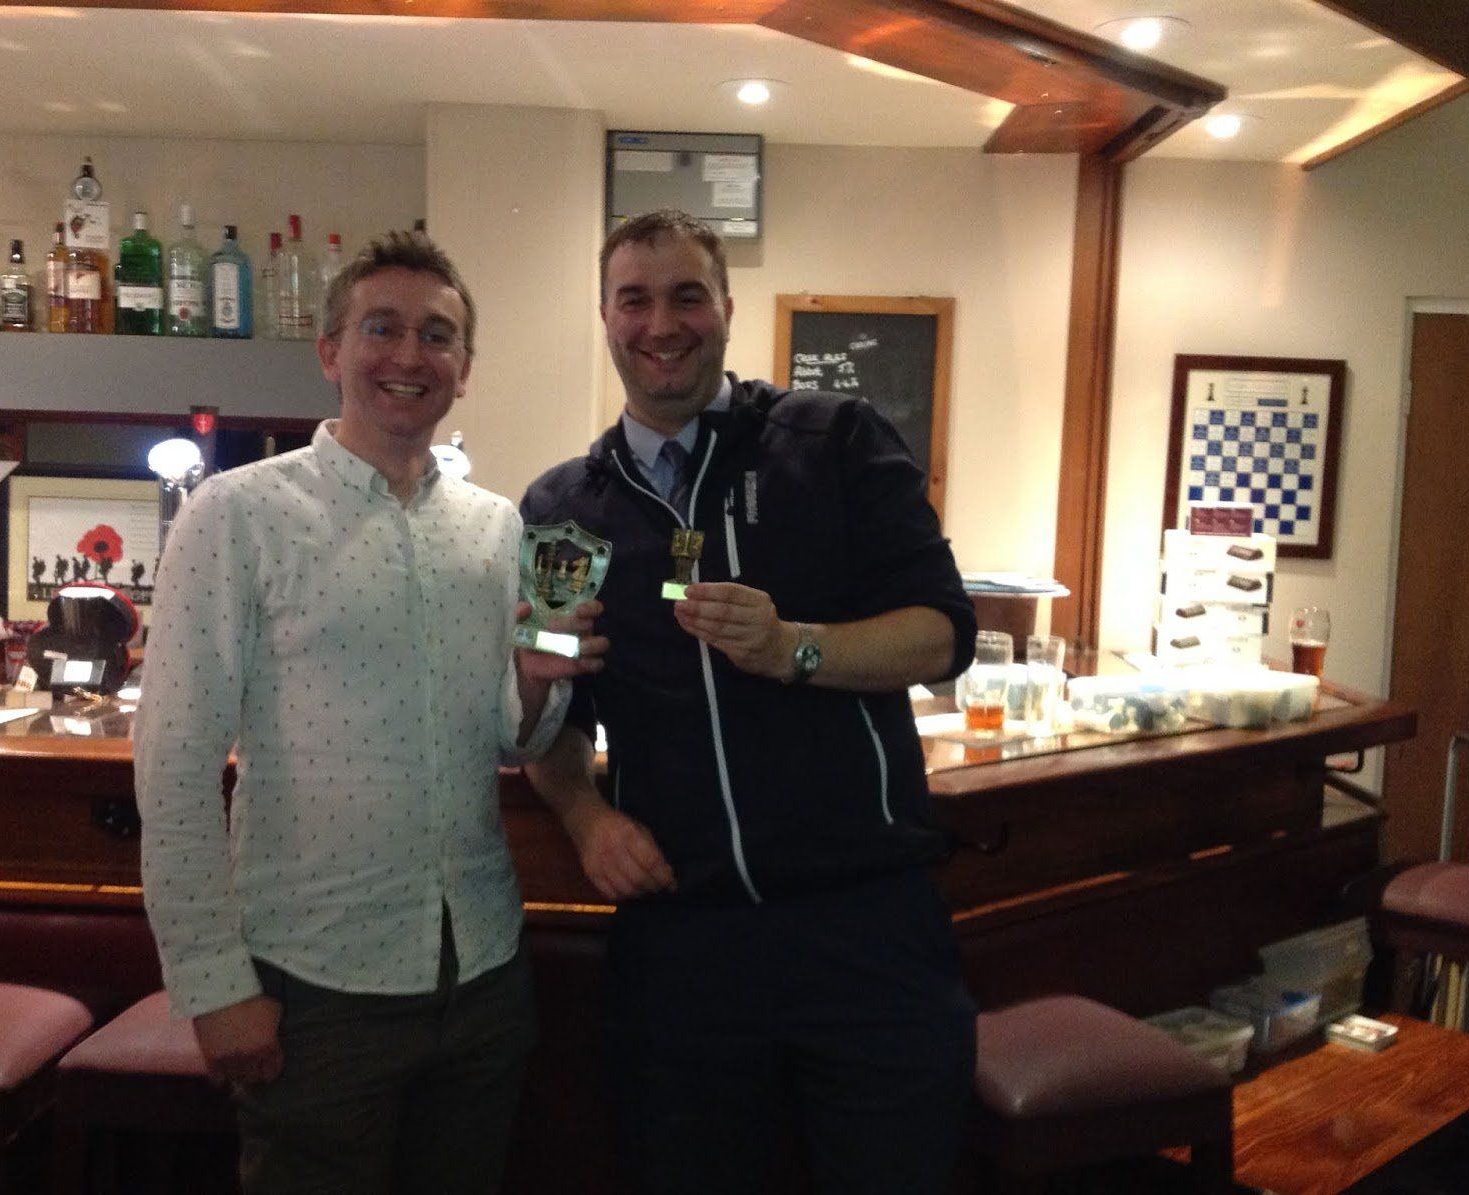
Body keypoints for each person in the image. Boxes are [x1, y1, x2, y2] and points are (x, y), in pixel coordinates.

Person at [136, 230, 604, 1195]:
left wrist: (534, 681)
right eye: (381, 328)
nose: (408, 355)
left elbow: (511, 742)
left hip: (482, 970)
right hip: (316, 983)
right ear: (330, 350)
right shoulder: (236, 515)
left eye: (437, 335)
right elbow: (174, 764)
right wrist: (213, 984)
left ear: (465, 368)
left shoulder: (496, 526)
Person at [521, 209, 979, 1194]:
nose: (661, 324)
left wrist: (792, 647)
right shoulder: (563, 510)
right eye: (634, 300)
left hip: (864, 924)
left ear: (726, 307)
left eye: (686, 295)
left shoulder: (834, 441)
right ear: (605, 316)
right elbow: (552, 706)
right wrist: (583, 814)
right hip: (683, 944)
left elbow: (944, 633)